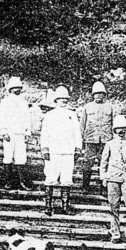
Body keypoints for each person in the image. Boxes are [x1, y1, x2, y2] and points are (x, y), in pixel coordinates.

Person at [40, 86, 82, 216]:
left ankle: (65, 206)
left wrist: (77, 148)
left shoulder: (72, 114)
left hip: (68, 151)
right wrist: (45, 148)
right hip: (54, 151)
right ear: (56, 100)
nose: (63, 101)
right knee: (51, 177)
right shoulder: (50, 115)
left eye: (65, 99)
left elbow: (77, 132)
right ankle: (48, 207)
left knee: (66, 178)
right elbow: (45, 133)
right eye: (60, 99)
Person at [100, 115, 126, 244]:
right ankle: (115, 233)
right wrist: (103, 177)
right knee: (113, 207)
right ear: (114, 130)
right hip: (113, 178)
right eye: (118, 129)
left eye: (123, 128)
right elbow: (104, 162)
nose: (121, 131)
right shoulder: (109, 144)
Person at [79, 81, 116, 191]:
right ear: (93, 95)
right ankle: (85, 186)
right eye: (96, 93)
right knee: (87, 164)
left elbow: (114, 124)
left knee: (104, 164)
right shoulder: (87, 107)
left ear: (105, 95)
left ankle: (103, 188)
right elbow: (82, 125)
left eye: (101, 93)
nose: (99, 96)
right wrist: (81, 142)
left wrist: (114, 141)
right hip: (90, 140)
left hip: (106, 141)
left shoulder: (110, 107)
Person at [0, 76, 32, 190]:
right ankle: (8, 182)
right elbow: (1, 118)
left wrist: (27, 133)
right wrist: (4, 131)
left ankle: (22, 182)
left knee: (21, 158)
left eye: (19, 88)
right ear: (10, 89)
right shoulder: (5, 102)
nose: (17, 90)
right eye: (14, 88)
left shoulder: (23, 102)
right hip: (10, 134)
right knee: (8, 157)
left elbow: (28, 118)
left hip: (21, 134)